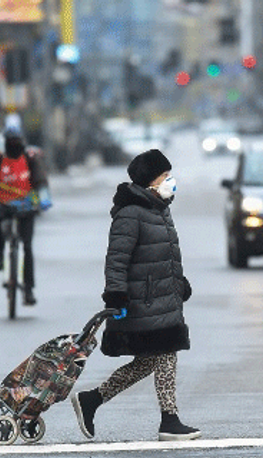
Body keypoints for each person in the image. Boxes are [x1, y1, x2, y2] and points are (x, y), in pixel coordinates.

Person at [71, 149, 199, 442]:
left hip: (160, 298)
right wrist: (115, 295)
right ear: (151, 180)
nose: (170, 181)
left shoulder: (159, 209)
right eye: (165, 176)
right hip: (142, 302)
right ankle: (169, 420)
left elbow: (161, 256)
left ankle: (92, 400)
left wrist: (179, 283)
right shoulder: (131, 213)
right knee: (165, 354)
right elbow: (117, 259)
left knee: (149, 361)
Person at [0, 127, 51, 305]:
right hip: (3, 205)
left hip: (26, 206)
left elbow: (40, 179)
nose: (13, 144)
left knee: (27, 247)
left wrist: (44, 198)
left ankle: (28, 289)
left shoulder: (30, 158)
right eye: (10, 140)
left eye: (16, 140)